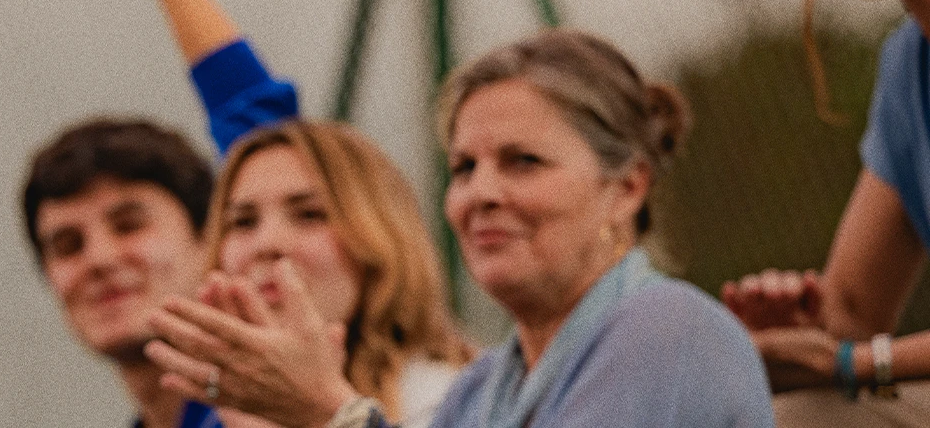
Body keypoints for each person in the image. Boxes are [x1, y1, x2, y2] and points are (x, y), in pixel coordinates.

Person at [146, 29, 775, 426]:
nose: (482, 195)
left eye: (523, 162)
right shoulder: (481, 392)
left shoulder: (667, 333)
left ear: (628, 187)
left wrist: (326, 414)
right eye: (464, 168)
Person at [114, 0, 470, 426]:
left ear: (379, 243)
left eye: (309, 214)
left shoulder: (453, 403)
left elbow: (258, 122)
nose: (266, 244)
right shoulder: (215, 410)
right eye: (241, 221)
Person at [721, 0, 930, 408]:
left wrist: (850, 361)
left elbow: (854, 353)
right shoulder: (907, 66)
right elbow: (851, 311)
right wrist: (790, 336)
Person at [22, 118, 223, 428]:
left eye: (129, 225)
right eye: (68, 246)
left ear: (209, 239)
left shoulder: (295, 416)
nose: (99, 259)